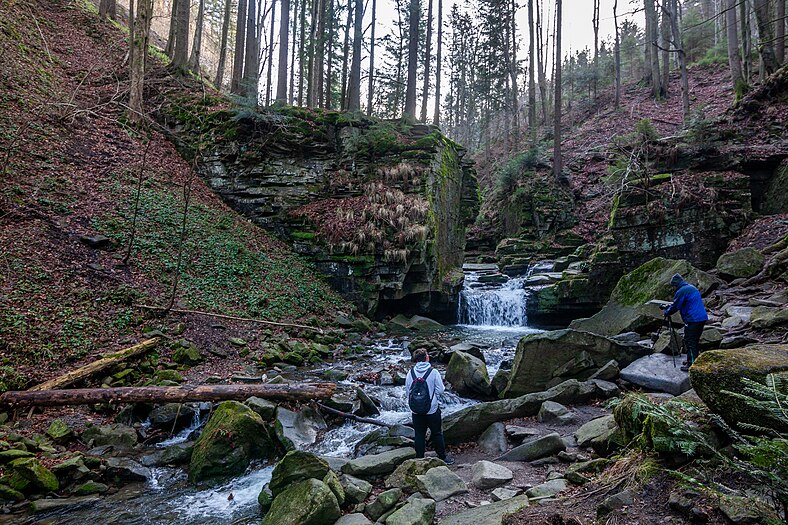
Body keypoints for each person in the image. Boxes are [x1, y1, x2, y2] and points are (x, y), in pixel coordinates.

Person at [405, 349, 454, 465]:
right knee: (436, 433)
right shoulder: (433, 372)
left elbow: (408, 391)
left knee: (419, 434)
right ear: (426, 358)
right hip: (432, 409)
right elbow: (441, 390)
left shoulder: (410, 373)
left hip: (416, 410)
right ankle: (442, 456)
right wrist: (433, 397)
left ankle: (420, 458)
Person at [662, 273, 708, 372]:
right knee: (694, 340)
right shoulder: (690, 287)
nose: (673, 288)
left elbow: (676, 306)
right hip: (701, 318)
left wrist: (667, 312)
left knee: (690, 341)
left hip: (693, 320)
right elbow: (683, 302)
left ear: (676, 284)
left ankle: (692, 365)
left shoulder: (681, 291)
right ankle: (693, 359)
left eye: (673, 286)